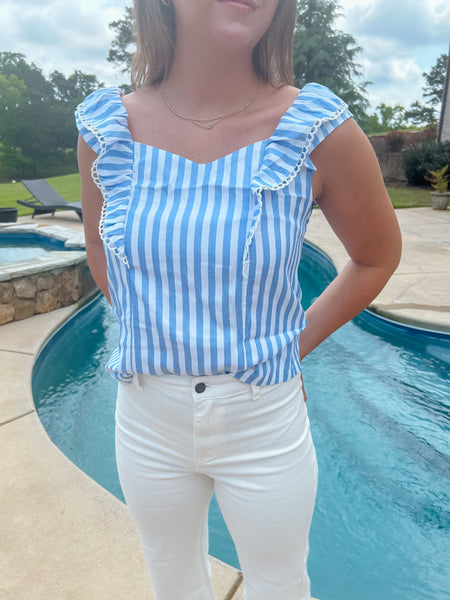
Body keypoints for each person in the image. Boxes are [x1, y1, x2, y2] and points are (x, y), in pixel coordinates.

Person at [76, 1, 402, 599]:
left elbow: (376, 257)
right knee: (172, 584)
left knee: (280, 587)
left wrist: (290, 346)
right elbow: (104, 261)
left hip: (263, 417)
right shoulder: (105, 130)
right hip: (146, 417)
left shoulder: (317, 126)